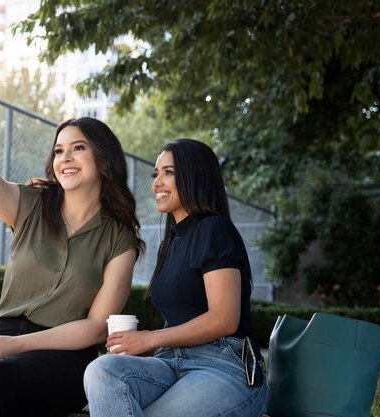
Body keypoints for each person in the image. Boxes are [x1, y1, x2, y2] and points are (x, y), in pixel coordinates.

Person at [0, 68, 144, 417]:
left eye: (78, 148)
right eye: (59, 150)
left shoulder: (119, 239)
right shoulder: (30, 204)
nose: (65, 158)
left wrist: (19, 345)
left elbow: (95, 327)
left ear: (103, 159)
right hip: (2, 339)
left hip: (63, 360)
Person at [84, 139, 268, 417]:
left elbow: (224, 318)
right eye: (155, 174)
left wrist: (148, 339)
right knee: (102, 370)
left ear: (195, 176)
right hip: (169, 363)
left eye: (168, 173)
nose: (157, 183)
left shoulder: (214, 229)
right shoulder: (171, 242)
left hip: (223, 366)